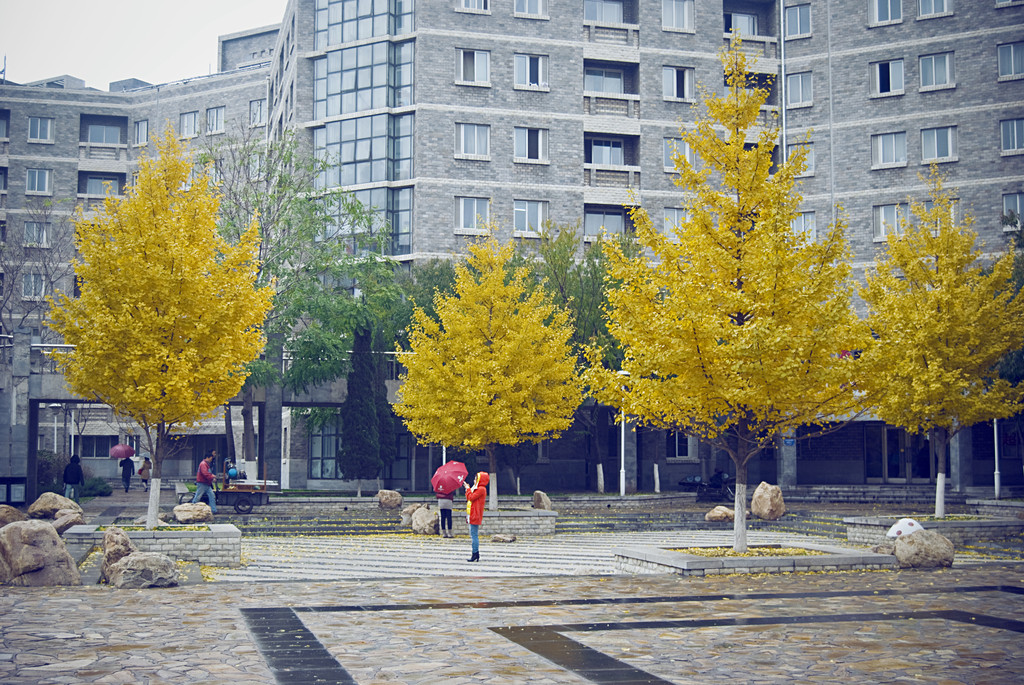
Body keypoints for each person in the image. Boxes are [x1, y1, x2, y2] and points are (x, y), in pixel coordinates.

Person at [465, 471, 488, 562]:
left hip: (475, 514)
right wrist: (469, 488)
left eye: (476, 478)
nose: (474, 480)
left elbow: (471, 497)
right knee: (473, 534)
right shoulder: (477, 488)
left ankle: (475, 553)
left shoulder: (481, 489)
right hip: (473, 514)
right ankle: (475, 554)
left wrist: (467, 489)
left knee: (474, 535)